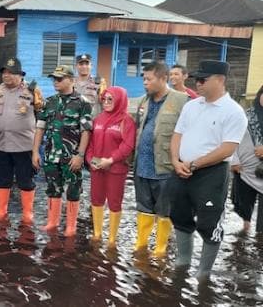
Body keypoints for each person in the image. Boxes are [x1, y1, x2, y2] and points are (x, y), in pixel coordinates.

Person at [169, 60, 247, 280]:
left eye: (203, 79)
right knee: (180, 214)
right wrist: (175, 160)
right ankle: (183, 261)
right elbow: (177, 135)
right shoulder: (191, 105)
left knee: (209, 221)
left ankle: (204, 272)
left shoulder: (234, 112)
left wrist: (195, 164)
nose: (198, 83)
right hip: (181, 169)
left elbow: (227, 149)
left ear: (220, 80)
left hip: (211, 174)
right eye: (197, 79)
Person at [133, 62, 189, 256]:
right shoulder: (143, 101)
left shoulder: (183, 101)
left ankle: (160, 249)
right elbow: (138, 128)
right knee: (143, 207)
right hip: (142, 166)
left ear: (163, 79)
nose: (145, 83)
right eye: (144, 79)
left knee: (165, 210)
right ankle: (141, 245)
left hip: (165, 168)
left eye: (149, 79)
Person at [32, 65, 92, 235]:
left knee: (73, 189)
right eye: (54, 79)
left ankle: (71, 226)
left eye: (60, 79)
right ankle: (52, 221)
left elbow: (86, 131)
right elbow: (40, 128)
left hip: (71, 157)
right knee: (52, 188)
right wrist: (35, 152)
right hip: (51, 155)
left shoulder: (82, 103)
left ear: (71, 80)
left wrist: (80, 155)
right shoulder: (50, 102)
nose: (55, 82)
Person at [86, 86, 136, 247]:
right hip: (97, 168)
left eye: (110, 99)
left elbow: (128, 145)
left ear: (119, 101)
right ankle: (97, 233)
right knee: (96, 199)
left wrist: (111, 159)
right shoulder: (98, 119)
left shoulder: (126, 120)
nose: (106, 102)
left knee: (114, 202)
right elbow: (91, 143)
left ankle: (112, 238)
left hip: (116, 169)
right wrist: (91, 161)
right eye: (104, 99)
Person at [0, 57, 39, 224]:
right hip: (2, 144)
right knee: (2, 179)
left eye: (11, 73)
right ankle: (1, 210)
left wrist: (37, 147)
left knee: (25, 180)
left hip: (24, 146)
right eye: (4, 72)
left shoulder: (31, 91)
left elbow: (42, 116)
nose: (7, 76)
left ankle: (27, 213)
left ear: (20, 75)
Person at [231, 86, 263, 233]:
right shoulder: (244, 116)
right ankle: (245, 227)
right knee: (242, 202)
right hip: (244, 169)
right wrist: (234, 160)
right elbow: (231, 138)